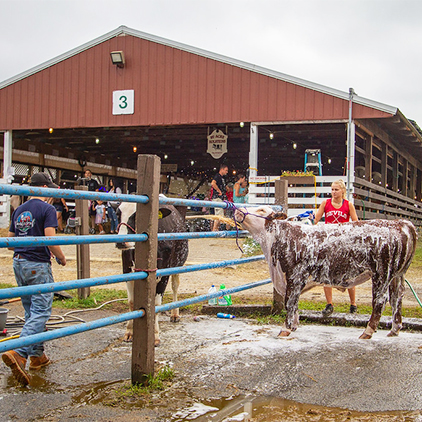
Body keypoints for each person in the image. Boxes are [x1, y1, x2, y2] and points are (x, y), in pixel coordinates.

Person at [2, 173, 66, 386]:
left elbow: (10, 242)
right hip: (37, 264)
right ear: (44, 188)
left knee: (31, 311)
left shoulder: (19, 210)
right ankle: (19, 353)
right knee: (41, 311)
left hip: (18, 262)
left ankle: (37, 357)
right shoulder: (47, 209)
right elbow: (49, 237)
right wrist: (60, 256)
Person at [314, 179, 359, 316]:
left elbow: (356, 223)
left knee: (349, 274)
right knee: (326, 272)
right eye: (332, 189)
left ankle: (353, 304)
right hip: (329, 242)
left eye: (336, 190)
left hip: (344, 242)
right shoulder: (325, 203)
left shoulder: (348, 205)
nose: (333, 192)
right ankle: (329, 304)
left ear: (342, 191)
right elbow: (316, 219)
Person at [211, 164, 228, 231]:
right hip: (217, 198)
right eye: (226, 170)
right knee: (219, 215)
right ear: (222, 169)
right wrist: (219, 191)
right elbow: (213, 183)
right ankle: (214, 230)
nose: (227, 172)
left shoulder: (222, 178)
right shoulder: (217, 176)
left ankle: (216, 230)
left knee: (219, 215)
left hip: (220, 198)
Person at [84, 169, 99, 234]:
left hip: (92, 199)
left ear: (91, 174)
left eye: (88, 173)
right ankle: (86, 227)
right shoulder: (82, 181)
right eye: (86, 173)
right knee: (85, 214)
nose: (87, 174)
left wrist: (95, 198)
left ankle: (93, 228)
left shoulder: (94, 182)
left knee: (93, 214)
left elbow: (97, 190)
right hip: (84, 199)